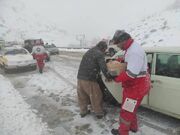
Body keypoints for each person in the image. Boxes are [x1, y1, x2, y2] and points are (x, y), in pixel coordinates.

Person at [110, 30, 151, 135]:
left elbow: (131, 74)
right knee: (130, 109)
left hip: (135, 88)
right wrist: (120, 62)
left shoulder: (134, 51)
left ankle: (122, 132)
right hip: (134, 87)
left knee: (126, 112)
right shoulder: (130, 48)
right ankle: (133, 127)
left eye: (117, 43)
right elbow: (129, 64)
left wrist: (116, 78)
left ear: (123, 40)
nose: (117, 46)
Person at [77, 41, 113, 119]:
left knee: (82, 96)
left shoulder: (90, 51)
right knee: (96, 96)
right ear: (103, 48)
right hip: (89, 78)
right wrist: (108, 77)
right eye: (105, 49)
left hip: (80, 78)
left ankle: (83, 111)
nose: (104, 51)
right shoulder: (99, 54)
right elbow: (103, 68)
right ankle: (99, 113)